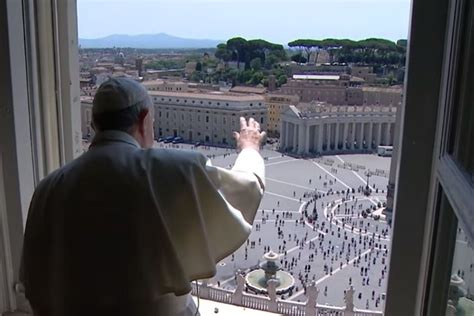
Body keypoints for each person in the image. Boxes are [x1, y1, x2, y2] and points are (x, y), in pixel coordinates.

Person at [20, 78, 266, 316]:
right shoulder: (176, 169)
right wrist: (249, 149)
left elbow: (32, 282)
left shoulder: (47, 188)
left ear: (95, 125)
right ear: (144, 119)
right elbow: (245, 188)